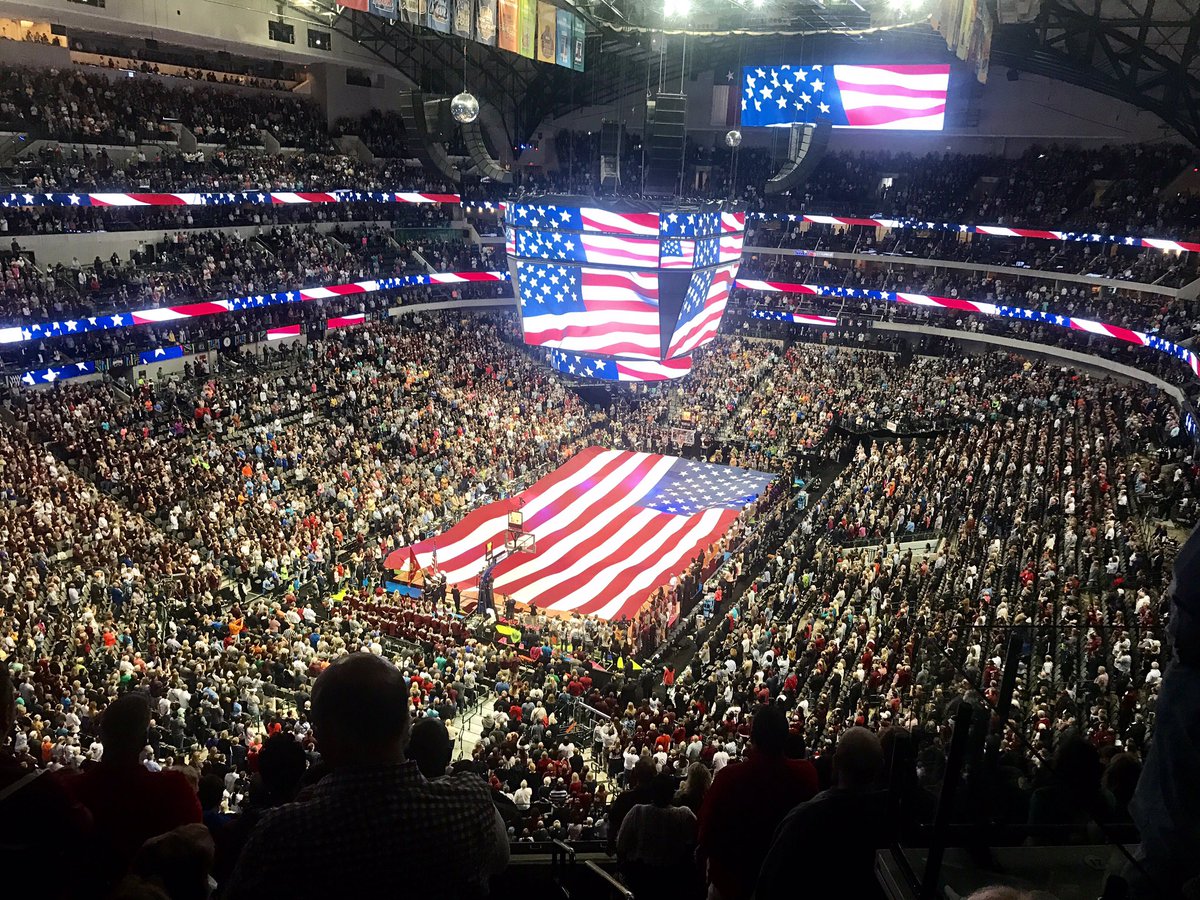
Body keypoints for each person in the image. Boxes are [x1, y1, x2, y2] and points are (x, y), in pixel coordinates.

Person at [224, 653, 509, 899]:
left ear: (323, 738)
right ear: (407, 726)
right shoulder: (470, 802)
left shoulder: (282, 834)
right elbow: (501, 860)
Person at [67, 693, 202, 892]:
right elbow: (196, 854)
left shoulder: (69, 790)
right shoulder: (173, 789)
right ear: (144, 740)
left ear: (101, 734)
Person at [698, 704, 818, 900]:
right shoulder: (806, 774)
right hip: (783, 884)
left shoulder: (729, 778)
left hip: (731, 885)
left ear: (752, 737)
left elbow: (705, 835)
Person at [755, 727, 888, 900]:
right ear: (880, 768)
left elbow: (769, 885)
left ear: (835, 762)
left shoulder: (804, 819)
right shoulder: (891, 819)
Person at [617, 774, 700, 900]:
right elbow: (698, 840)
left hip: (641, 879)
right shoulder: (684, 814)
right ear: (672, 793)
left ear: (652, 792)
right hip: (674, 880)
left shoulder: (638, 812)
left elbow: (621, 845)